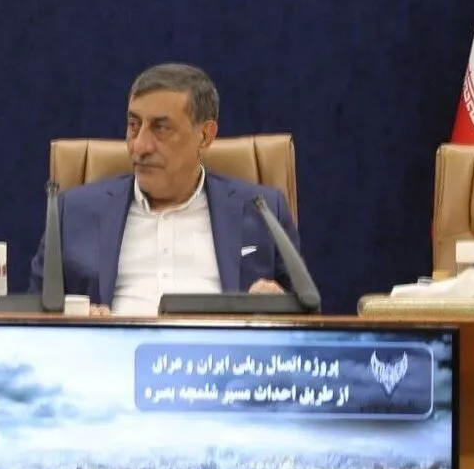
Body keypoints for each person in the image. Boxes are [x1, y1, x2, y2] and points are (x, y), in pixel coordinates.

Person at [29, 63, 306, 315]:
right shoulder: (72, 212)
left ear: (205, 136)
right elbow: (34, 321)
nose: (139, 146)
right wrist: (75, 323)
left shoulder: (263, 211)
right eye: (133, 125)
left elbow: (306, 320)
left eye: (160, 128)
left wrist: (280, 306)